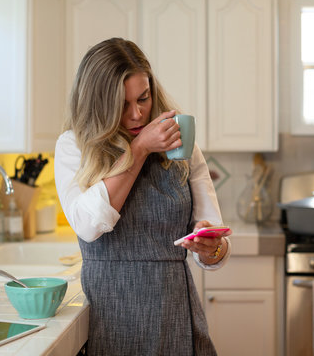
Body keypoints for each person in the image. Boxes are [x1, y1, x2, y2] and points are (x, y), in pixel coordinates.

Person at [55, 37, 232, 355]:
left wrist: (211, 248)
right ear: (98, 104)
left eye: (144, 98)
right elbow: (88, 225)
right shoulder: (73, 146)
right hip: (110, 317)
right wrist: (139, 149)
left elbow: (213, 239)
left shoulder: (181, 147)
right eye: (122, 105)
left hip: (175, 312)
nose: (137, 114)